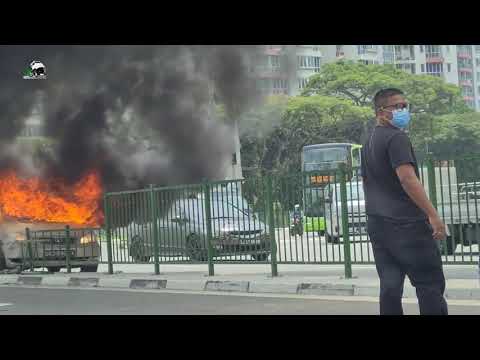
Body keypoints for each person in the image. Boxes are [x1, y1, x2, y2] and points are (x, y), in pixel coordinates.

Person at [361, 88, 448, 315]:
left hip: (378, 225)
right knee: (429, 284)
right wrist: (433, 215)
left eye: (405, 106)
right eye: (397, 106)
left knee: (390, 287)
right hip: (407, 224)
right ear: (381, 112)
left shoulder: (368, 140)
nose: (403, 110)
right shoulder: (397, 137)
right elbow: (408, 178)